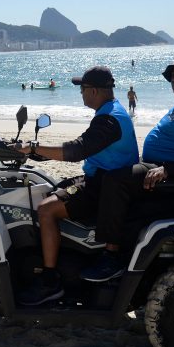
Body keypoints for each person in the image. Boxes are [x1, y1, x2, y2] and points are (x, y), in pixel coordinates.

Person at [80, 53, 174, 282]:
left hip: (168, 175)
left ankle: (111, 256)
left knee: (114, 180)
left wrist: (168, 170)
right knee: (111, 174)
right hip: (157, 167)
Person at [14, 66, 140, 305]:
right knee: (49, 189)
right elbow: (83, 147)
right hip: (101, 177)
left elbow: (77, 150)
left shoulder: (109, 119)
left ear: (94, 91)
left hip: (102, 185)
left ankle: (49, 281)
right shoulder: (111, 111)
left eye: (82, 89)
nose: (81, 93)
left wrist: (33, 147)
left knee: (46, 210)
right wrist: (36, 153)